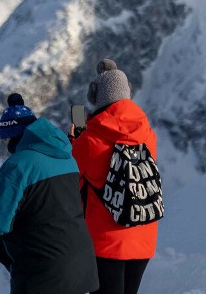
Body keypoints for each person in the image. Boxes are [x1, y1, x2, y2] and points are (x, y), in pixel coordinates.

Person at [0, 93, 99, 294]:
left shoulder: (17, 165)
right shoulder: (67, 157)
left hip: (43, 271)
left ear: (12, 138)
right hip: (81, 263)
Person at [70, 59, 159, 294]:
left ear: (95, 96)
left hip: (106, 242)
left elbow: (73, 183)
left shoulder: (89, 140)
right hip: (143, 236)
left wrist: (75, 141)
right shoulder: (147, 134)